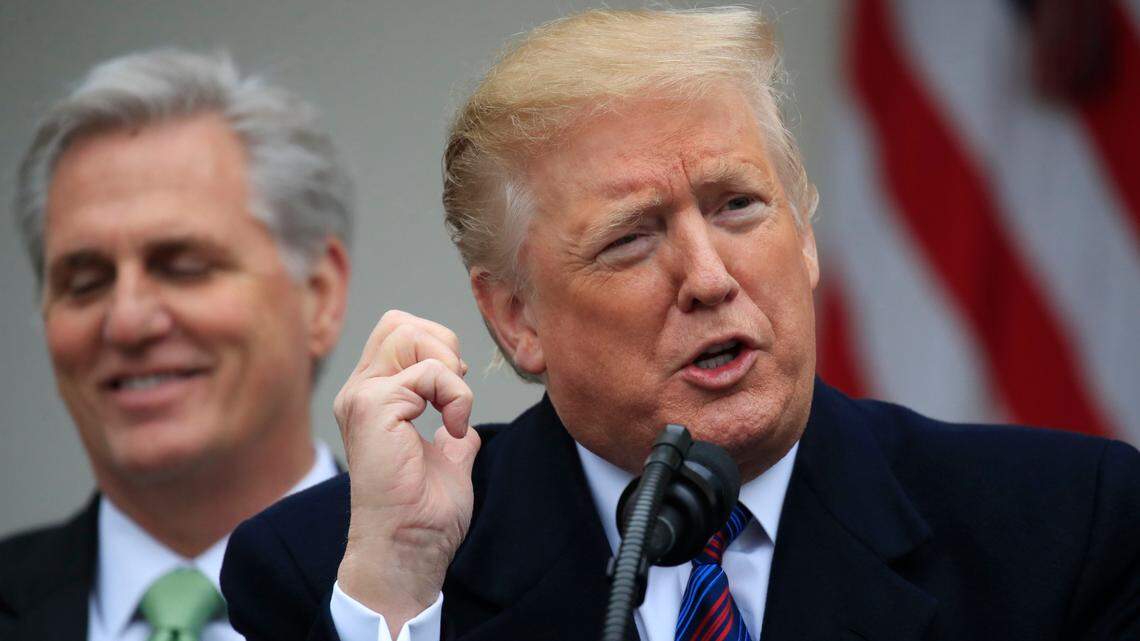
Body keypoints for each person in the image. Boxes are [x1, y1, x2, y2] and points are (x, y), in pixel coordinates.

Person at [221, 8, 1140, 641]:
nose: (708, 277)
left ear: (807, 238)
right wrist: (402, 586)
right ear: (515, 317)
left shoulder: (1065, 528)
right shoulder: (335, 569)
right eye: (630, 239)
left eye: (740, 205)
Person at [0, 49, 353, 641]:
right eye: (85, 282)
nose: (128, 322)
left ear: (318, 296)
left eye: (184, 266)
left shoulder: (472, 594)